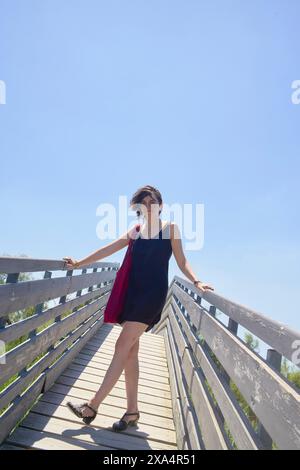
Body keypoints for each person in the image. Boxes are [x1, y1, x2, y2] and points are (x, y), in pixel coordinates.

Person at [62, 185, 214, 431]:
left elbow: (182, 260)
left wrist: (197, 281)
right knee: (130, 352)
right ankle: (132, 412)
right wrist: (79, 263)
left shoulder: (170, 229)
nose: (148, 207)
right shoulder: (135, 231)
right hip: (132, 295)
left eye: (152, 202)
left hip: (151, 296)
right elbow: (108, 248)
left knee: (121, 345)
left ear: (161, 205)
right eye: (143, 204)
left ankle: (92, 405)